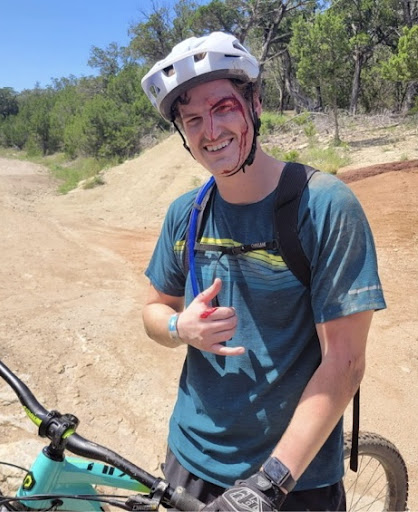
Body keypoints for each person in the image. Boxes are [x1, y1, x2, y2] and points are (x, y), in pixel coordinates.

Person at [140, 31, 386, 511]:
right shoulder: (185, 213)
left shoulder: (324, 206)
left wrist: (267, 485)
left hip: (291, 478)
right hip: (188, 460)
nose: (209, 131)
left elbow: (346, 362)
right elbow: (153, 308)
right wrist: (178, 327)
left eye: (222, 108)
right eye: (192, 119)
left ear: (254, 103)